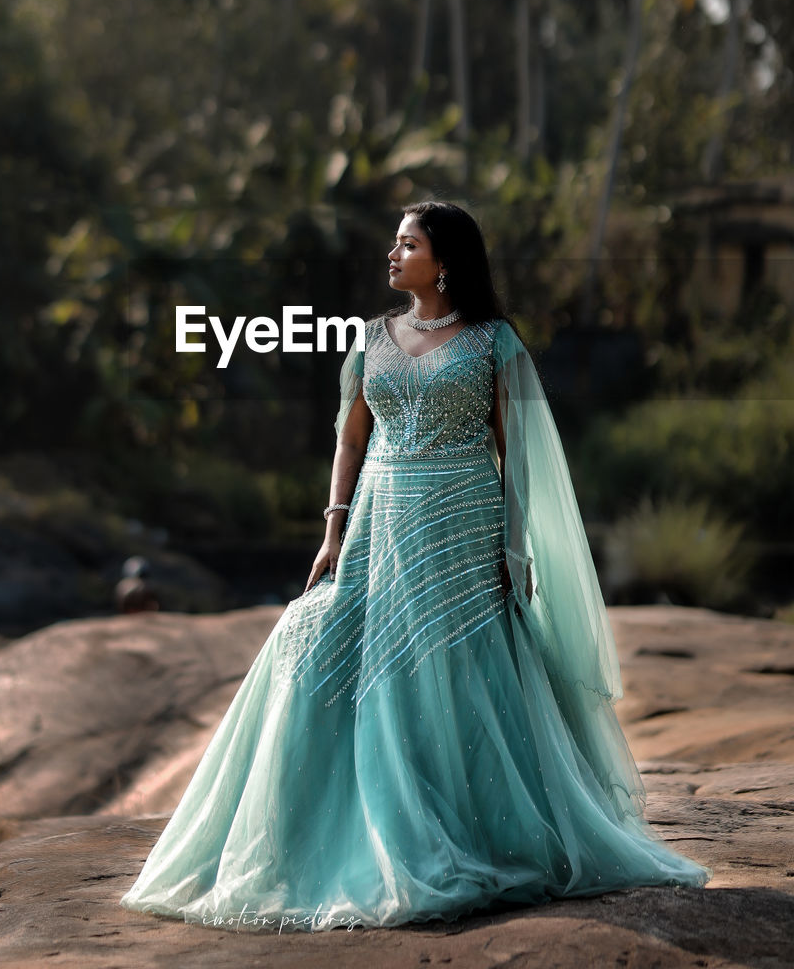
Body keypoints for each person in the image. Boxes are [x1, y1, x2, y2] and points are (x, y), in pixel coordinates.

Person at [119, 200, 711, 932]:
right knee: (313, 633)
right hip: (377, 516)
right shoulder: (371, 337)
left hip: (462, 520)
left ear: (447, 259)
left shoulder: (495, 342)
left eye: (408, 244)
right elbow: (349, 439)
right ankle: (333, 831)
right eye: (395, 244)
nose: (392, 256)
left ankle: (462, 825)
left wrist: (515, 547)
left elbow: (515, 453)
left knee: (453, 665)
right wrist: (332, 531)